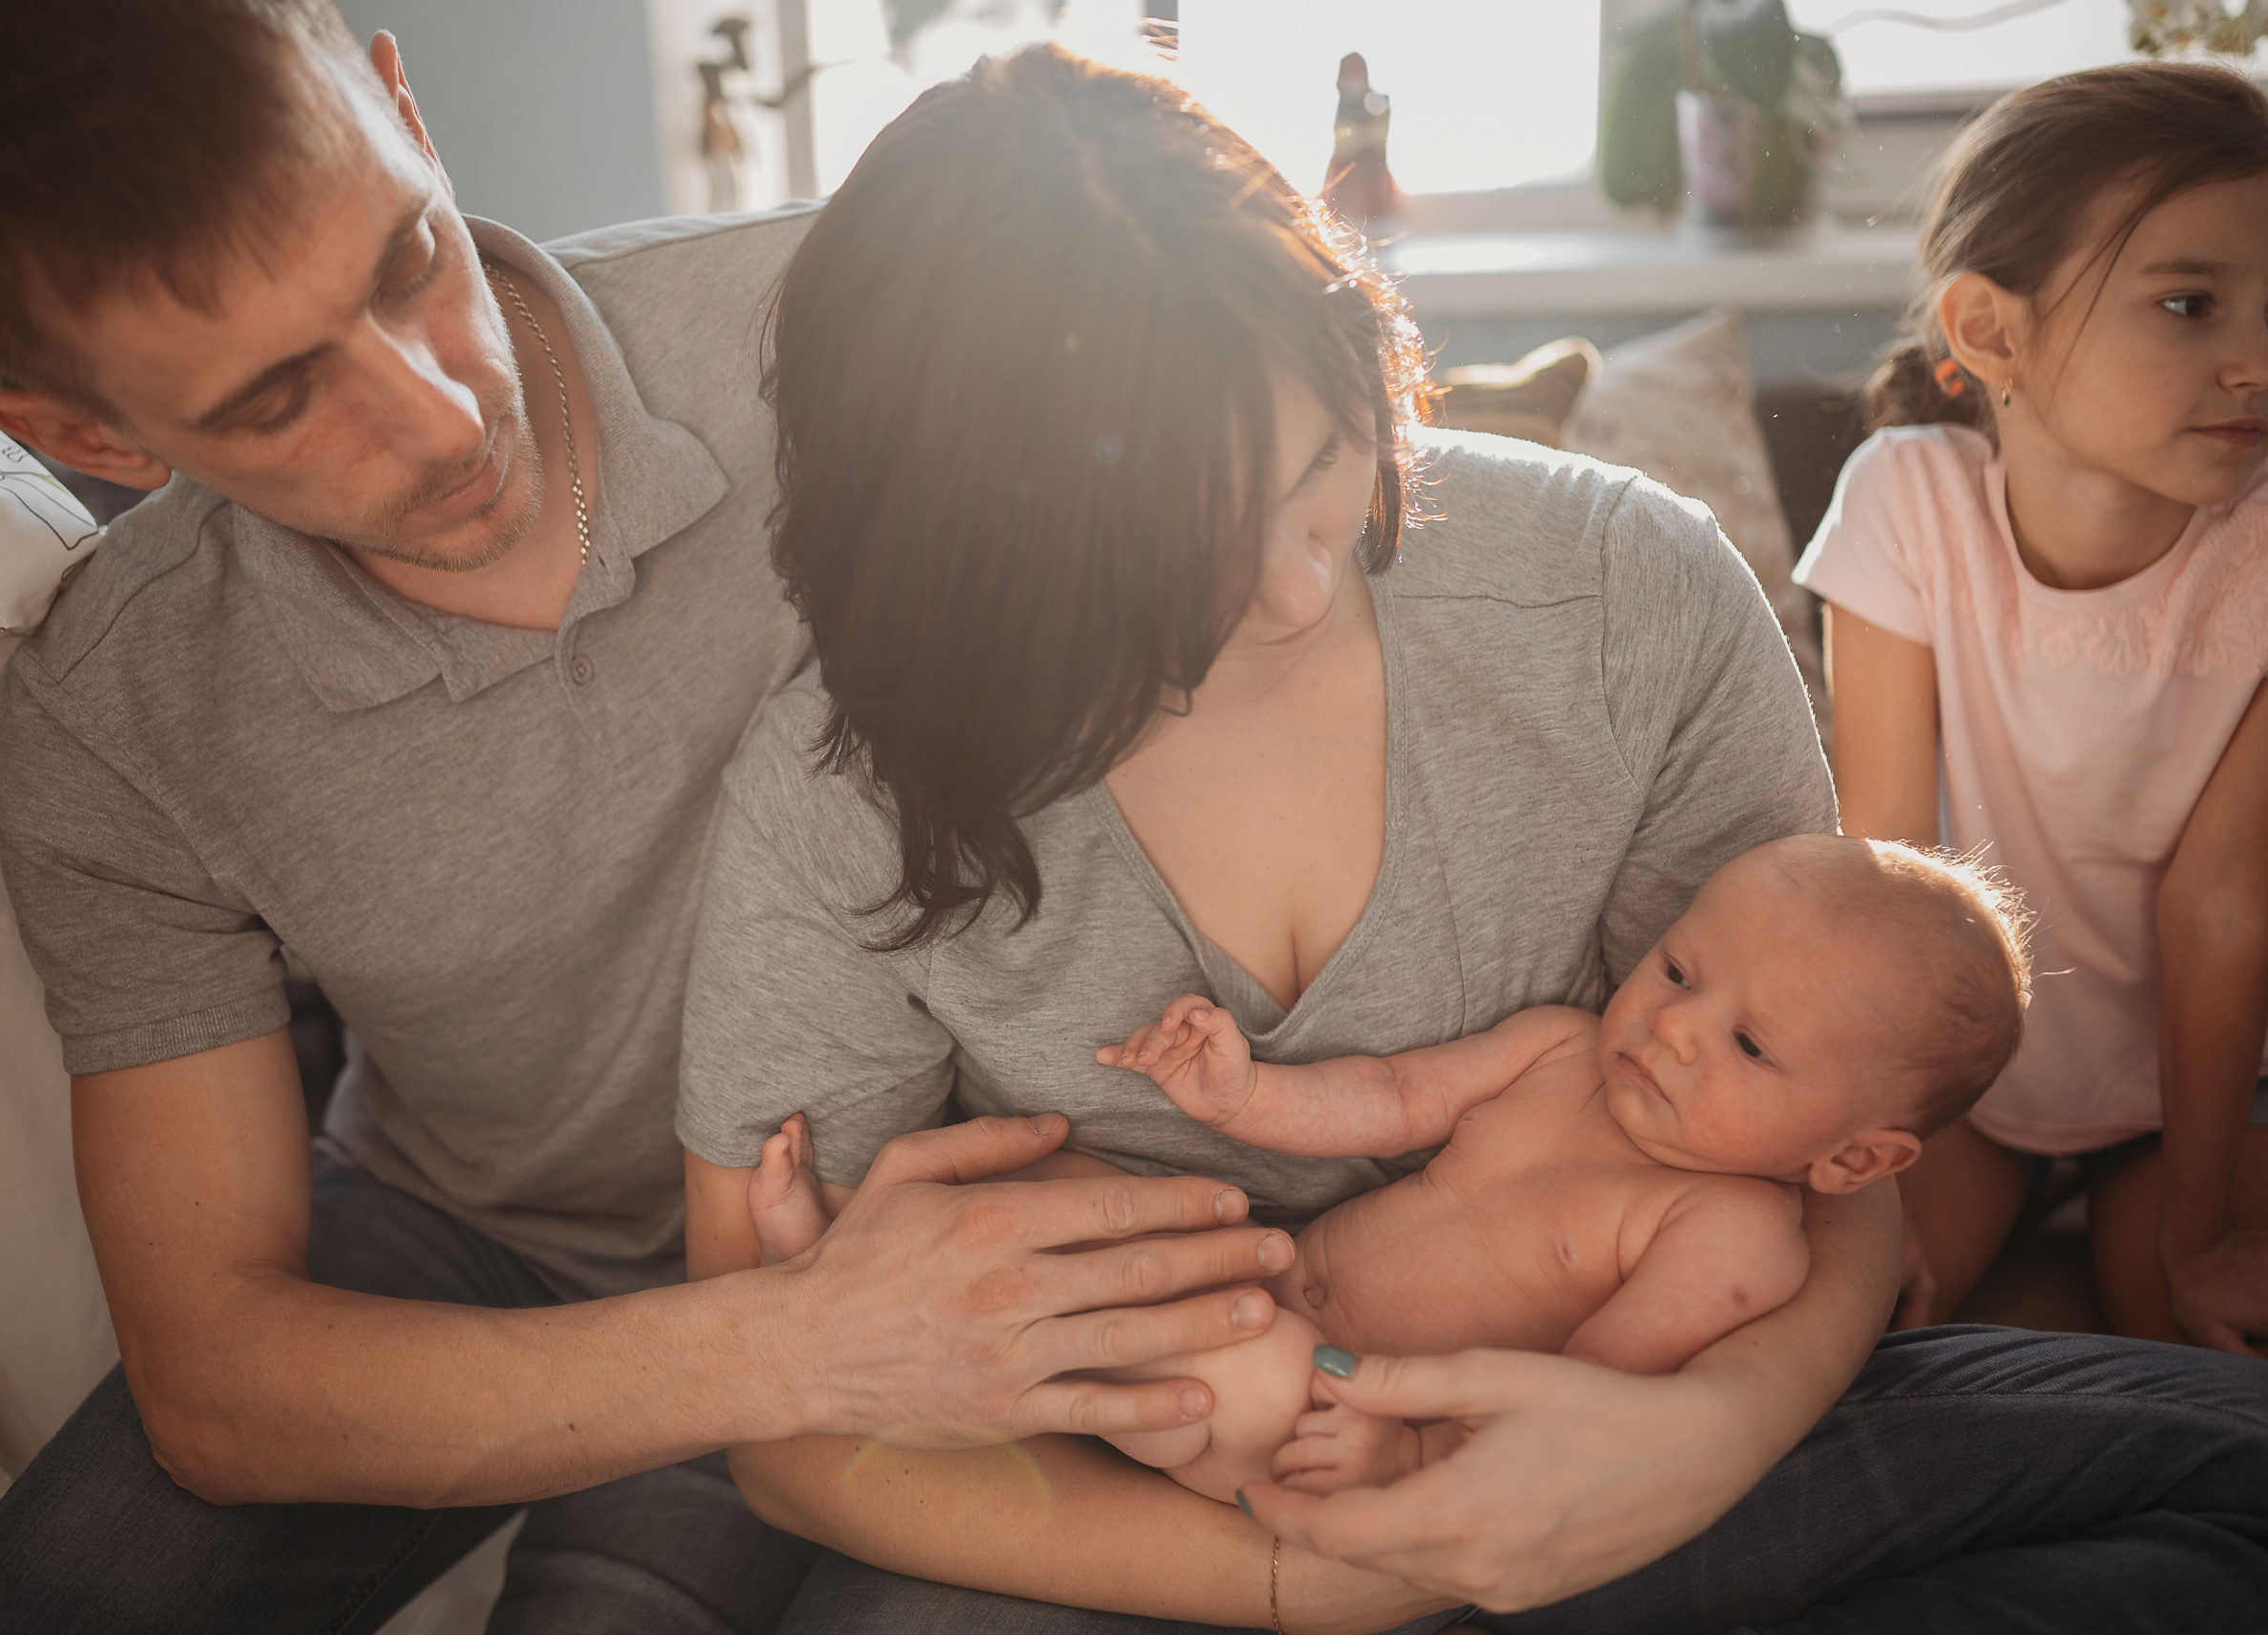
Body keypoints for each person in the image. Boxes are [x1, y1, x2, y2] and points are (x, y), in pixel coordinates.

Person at [676, 45, 2268, 1633]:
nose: (1304, 597)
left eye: (1317, 476)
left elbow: (1824, 1142)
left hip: (1643, 1437)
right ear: (976, 575)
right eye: (1181, 578)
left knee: (2228, 1481)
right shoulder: (850, 788)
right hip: (1165, 1521)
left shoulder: (1624, 598)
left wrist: (1692, 1438)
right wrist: (1311, 1576)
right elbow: (791, 1414)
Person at [0, 4, 1301, 1628]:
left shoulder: (867, 315)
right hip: (498, 1244)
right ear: (87, 438)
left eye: (406, 261)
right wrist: (796, 1343)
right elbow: (217, 1382)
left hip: (990, 1180)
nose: (440, 416)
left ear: (401, 103)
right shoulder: (115, 709)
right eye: (277, 400)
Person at [747, 835, 2033, 1504]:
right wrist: (1242, 1091)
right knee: (1109, 1198)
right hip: (1268, 1268)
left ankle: (894, 1368)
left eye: (1750, 1043)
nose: (1676, 1025)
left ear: (1856, 1154)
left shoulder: (1733, 1234)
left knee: (1212, 1348)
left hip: (1322, 1411)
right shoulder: (1560, 1049)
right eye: (1683, 968)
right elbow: (1393, 1095)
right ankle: (866, 1258)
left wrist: (1403, 1461)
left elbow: (1576, 1409)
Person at [1798, 60, 2268, 1349]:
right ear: (1991, 332)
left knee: (2180, 1338)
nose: (2256, 361)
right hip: (1978, 1078)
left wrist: (2193, 1231)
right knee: (1836, 1325)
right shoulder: (1906, 501)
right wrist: (1866, 1174)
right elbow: (1884, 870)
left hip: (2200, 1086)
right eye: (2191, 302)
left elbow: (2222, 901)